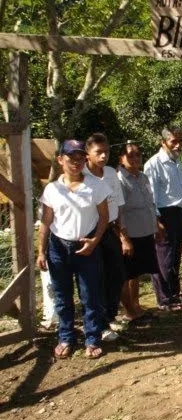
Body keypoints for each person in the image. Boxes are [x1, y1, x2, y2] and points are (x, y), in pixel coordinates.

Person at [37, 140, 110, 359]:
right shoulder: (52, 189)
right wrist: (41, 251)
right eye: (71, 158)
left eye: (80, 158)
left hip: (86, 245)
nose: (76, 163)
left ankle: (92, 338)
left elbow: (104, 217)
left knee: (90, 295)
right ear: (60, 160)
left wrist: (94, 241)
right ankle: (66, 337)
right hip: (58, 247)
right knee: (62, 296)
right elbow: (46, 222)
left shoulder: (96, 186)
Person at [84, 133, 129, 342]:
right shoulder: (81, 176)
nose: (104, 156)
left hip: (110, 230)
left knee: (117, 274)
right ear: (87, 154)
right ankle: (98, 325)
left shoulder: (111, 173)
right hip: (91, 233)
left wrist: (122, 234)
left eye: (107, 152)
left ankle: (108, 316)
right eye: (98, 152)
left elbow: (118, 204)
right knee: (96, 279)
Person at [144, 126, 182, 311]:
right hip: (164, 215)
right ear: (163, 142)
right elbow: (151, 197)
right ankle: (164, 299)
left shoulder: (177, 162)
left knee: (175, 257)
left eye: (180, 141)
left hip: (178, 213)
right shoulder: (153, 164)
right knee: (164, 259)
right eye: (173, 141)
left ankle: (175, 293)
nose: (178, 145)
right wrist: (157, 222)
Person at [117, 142, 162, 323]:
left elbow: (150, 204)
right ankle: (129, 311)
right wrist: (124, 238)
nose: (135, 158)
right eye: (130, 155)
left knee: (137, 273)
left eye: (138, 155)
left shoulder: (143, 177)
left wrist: (156, 225)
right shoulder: (120, 180)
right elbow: (119, 212)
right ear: (121, 158)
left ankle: (136, 306)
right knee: (129, 274)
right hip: (131, 234)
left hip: (145, 232)